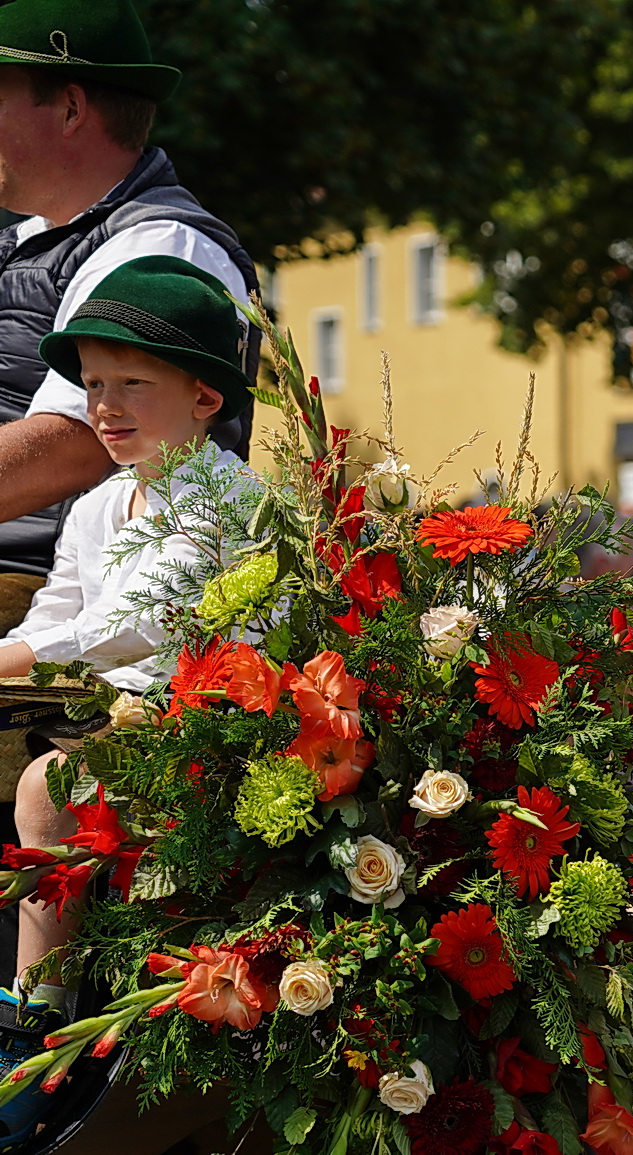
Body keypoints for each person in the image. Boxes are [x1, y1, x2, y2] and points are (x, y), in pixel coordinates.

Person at [0, 256, 253, 1144]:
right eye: (94, 383)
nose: (103, 405)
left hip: (231, 728)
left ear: (205, 398)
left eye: (131, 383)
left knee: (46, 789)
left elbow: (129, 622)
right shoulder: (103, 502)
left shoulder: (227, 496)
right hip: (126, 719)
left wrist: (19, 656)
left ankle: (37, 1026)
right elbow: (58, 608)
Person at [0, 0, 259, 635]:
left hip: (54, 603)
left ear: (69, 108)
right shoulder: (30, 239)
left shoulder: (160, 247)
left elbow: (82, 444)